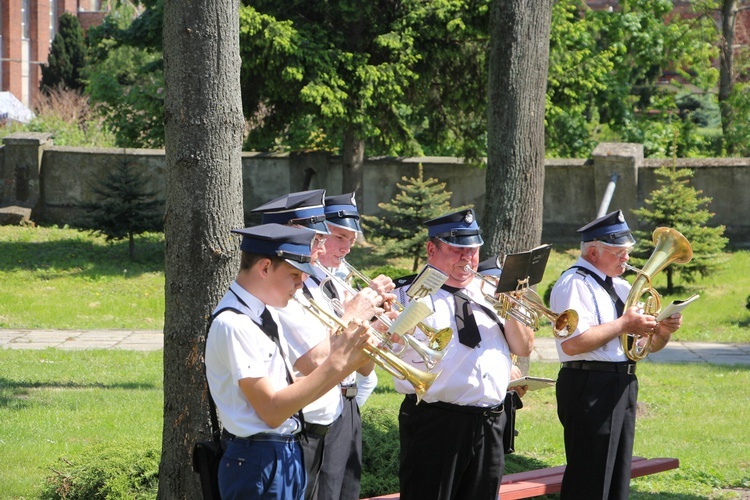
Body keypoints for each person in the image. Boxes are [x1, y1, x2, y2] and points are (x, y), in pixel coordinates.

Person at [204, 223, 372, 500]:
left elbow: (286, 388)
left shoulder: (261, 315)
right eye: (294, 274)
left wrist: (348, 361)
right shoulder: (235, 323)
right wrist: (338, 363)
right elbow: (271, 410)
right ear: (265, 267)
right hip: (258, 457)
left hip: (280, 451)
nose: (301, 283)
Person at [251, 189, 392, 500]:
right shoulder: (289, 291)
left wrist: (376, 326)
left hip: (341, 408)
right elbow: (317, 360)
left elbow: (360, 362)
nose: (333, 248)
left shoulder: (321, 288)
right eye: (329, 238)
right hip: (308, 419)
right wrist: (354, 315)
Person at [392, 208, 535, 500]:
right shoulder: (406, 295)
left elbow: (523, 348)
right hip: (435, 422)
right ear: (432, 249)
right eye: (457, 250)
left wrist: (511, 307)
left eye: (473, 251)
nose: (467, 259)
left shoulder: (490, 290)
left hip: (490, 422)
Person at [549, 210, 682, 500]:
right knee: (589, 479)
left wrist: (663, 330)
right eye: (619, 253)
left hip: (621, 384)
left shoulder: (623, 287)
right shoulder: (574, 283)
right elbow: (571, 344)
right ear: (594, 251)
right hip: (589, 385)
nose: (627, 260)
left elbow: (645, 348)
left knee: (616, 478)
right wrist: (624, 324)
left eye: (628, 253)